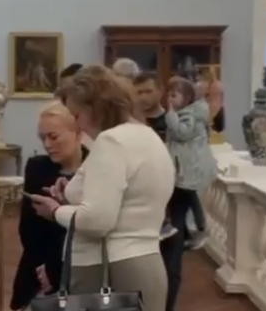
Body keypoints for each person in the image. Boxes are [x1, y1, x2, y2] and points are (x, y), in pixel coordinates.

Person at [30, 65, 174, 311]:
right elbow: (129, 198)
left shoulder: (112, 141)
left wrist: (55, 211)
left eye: (77, 116)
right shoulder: (147, 136)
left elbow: (96, 220)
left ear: (94, 107)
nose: (78, 125)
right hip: (145, 260)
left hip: (112, 268)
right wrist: (73, 192)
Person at [10, 101, 89, 311]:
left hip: (79, 270)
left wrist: (56, 269)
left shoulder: (96, 167)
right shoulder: (37, 168)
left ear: (78, 133)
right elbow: (28, 229)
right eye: (42, 137)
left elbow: (88, 228)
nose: (47, 144)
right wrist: (44, 269)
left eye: (53, 137)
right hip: (37, 270)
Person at [163, 78, 218, 310]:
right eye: (169, 94)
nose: (170, 99)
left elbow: (181, 133)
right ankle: (192, 229)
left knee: (189, 197)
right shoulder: (191, 113)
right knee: (187, 200)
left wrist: (170, 114)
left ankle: (199, 227)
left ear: (186, 98)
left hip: (187, 168)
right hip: (183, 167)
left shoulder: (188, 116)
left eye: (174, 95)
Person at [133, 72, 177, 240]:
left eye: (148, 91)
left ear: (160, 91)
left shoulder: (171, 122)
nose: (143, 97)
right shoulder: (130, 123)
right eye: (139, 92)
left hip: (170, 189)